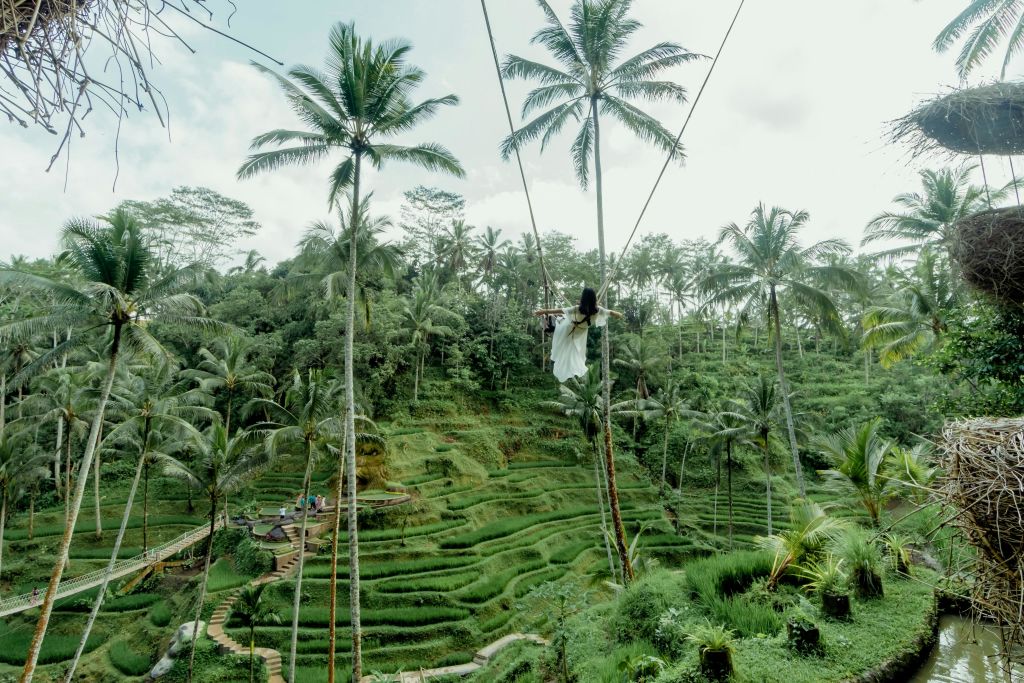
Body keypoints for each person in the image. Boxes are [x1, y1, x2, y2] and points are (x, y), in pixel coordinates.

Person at [535, 287, 623, 383]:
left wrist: (542, 311)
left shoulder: (577, 309)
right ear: (594, 299)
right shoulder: (598, 310)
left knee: (559, 322)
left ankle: (551, 324)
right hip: (580, 333)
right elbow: (617, 314)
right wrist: (614, 313)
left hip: (568, 329)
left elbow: (557, 310)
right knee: (575, 353)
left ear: (583, 298)